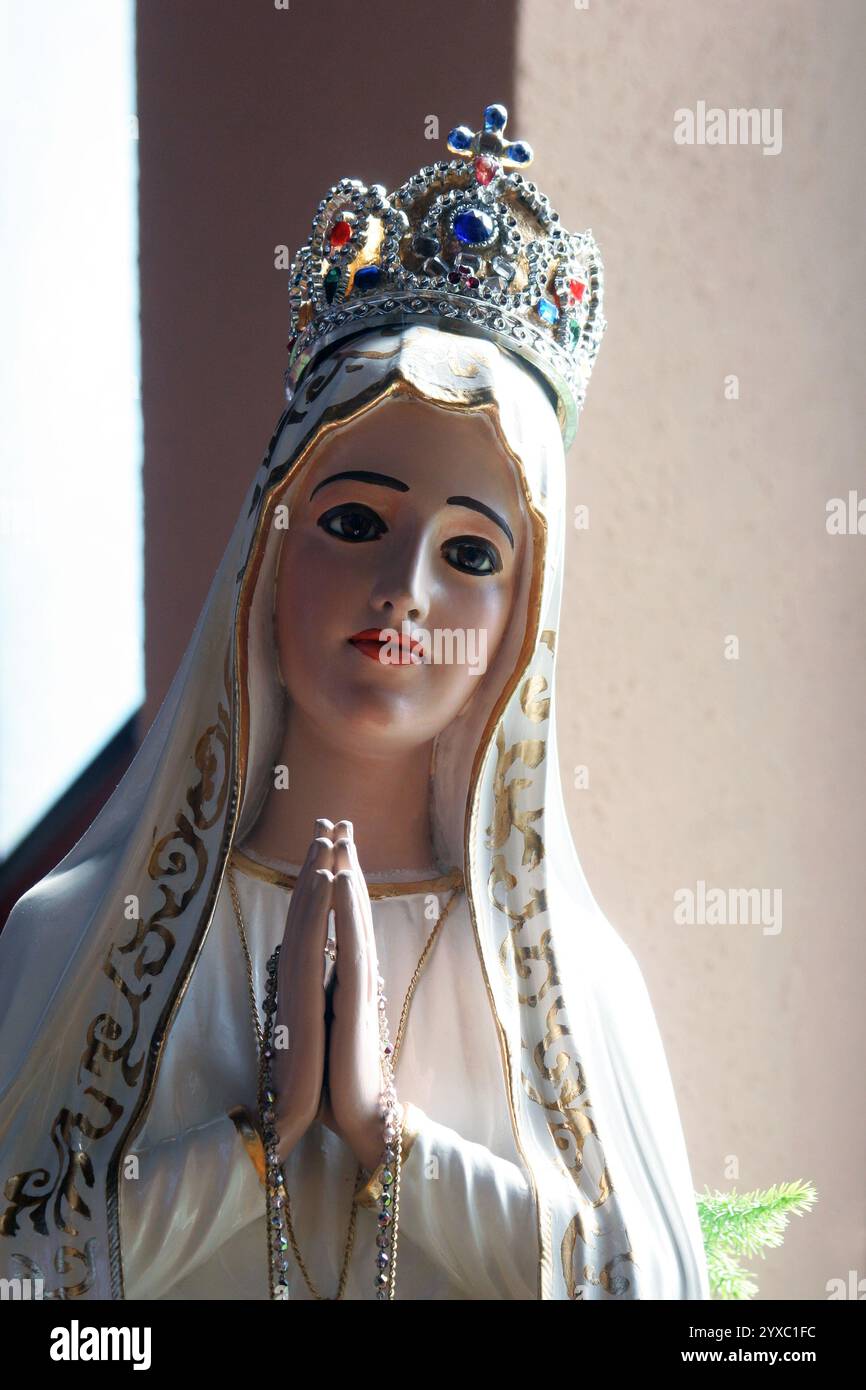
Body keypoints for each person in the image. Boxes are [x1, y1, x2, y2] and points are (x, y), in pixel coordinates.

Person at [0, 103, 710, 1301]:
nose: (403, 589)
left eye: (472, 555)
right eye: (354, 523)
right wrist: (243, 1157)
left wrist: (396, 1145)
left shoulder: (577, 985)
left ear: (524, 619)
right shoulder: (75, 938)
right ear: (268, 551)